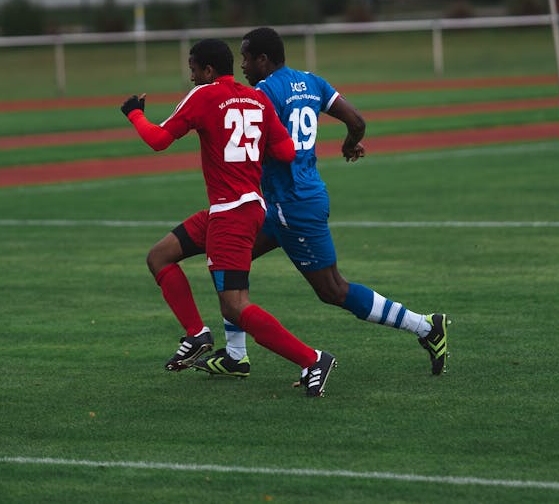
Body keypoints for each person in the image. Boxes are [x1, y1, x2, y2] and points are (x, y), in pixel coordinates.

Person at [191, 26, 448, 379]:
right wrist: (349, 143)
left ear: (263, 60)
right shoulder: (312, 81)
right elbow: (357, 121)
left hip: (291, 204)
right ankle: (236, 355)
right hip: (285, 201)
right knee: (230, 262)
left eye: (247, 59)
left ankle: (426, 326)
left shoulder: (263, 93)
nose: (243, 67)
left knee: (332, 289)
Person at [121, 38, 336, 398]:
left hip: (230, 215)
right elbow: (285, 151)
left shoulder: (204, 95)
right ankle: (196, 334)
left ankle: (312, 359)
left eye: (192, 70)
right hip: (244, 207)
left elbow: (158, 140)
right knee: (159, 256)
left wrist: (134, 113)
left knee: (235, 307)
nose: (191, 78)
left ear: (207, 70)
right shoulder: (258, 99)